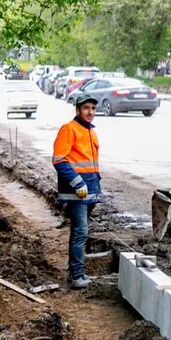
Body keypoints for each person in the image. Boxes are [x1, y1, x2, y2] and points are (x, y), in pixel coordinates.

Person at [52, 95, 102, 289]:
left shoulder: (91, 132)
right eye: (86, 108)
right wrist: (77, 182)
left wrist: (94, 188)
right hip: (77, 192)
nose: (90, 112)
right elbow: (59, 160)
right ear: (77, 110)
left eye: (93, 108)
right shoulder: (69, 129)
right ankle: (77, 276)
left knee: (80, 232)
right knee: (81, 232)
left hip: (89, 190)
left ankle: (75, 271)